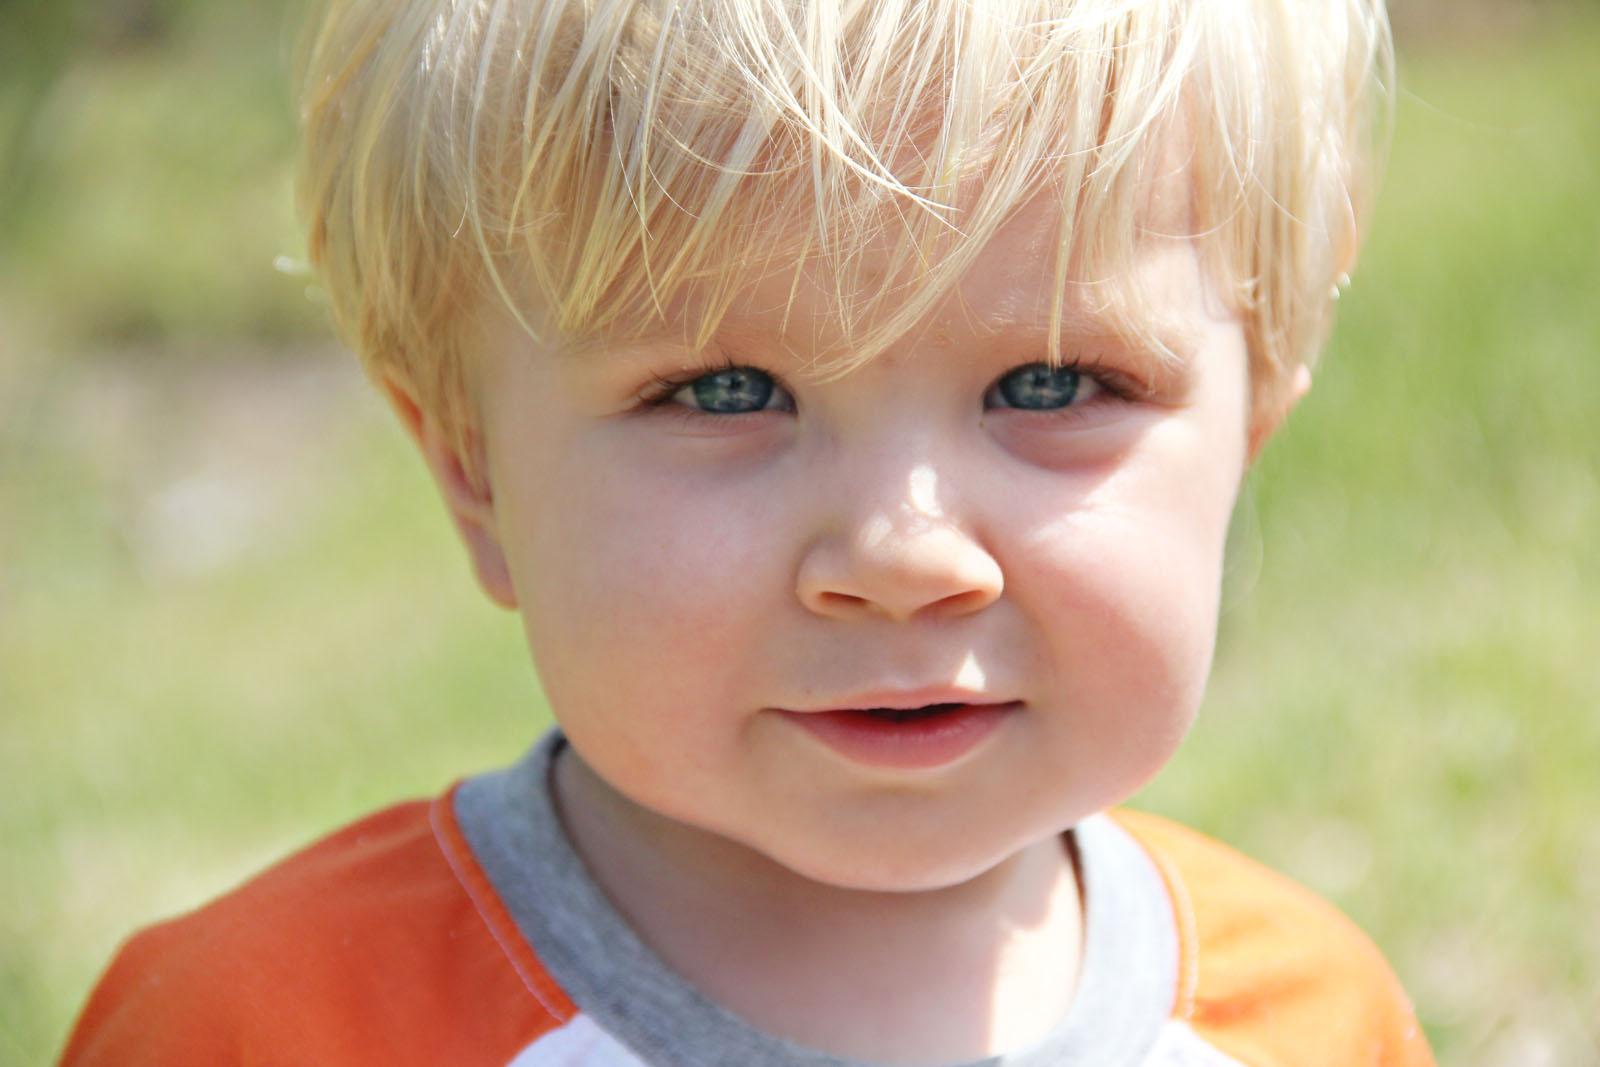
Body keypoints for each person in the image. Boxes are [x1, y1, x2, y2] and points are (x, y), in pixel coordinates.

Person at [61, 1, 1435, 1064]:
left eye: (1051, 386)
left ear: (1254, 422)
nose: (903, 557)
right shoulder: (258, 1029)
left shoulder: (1314, 1025)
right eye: (725, 392)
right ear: (474, 474)